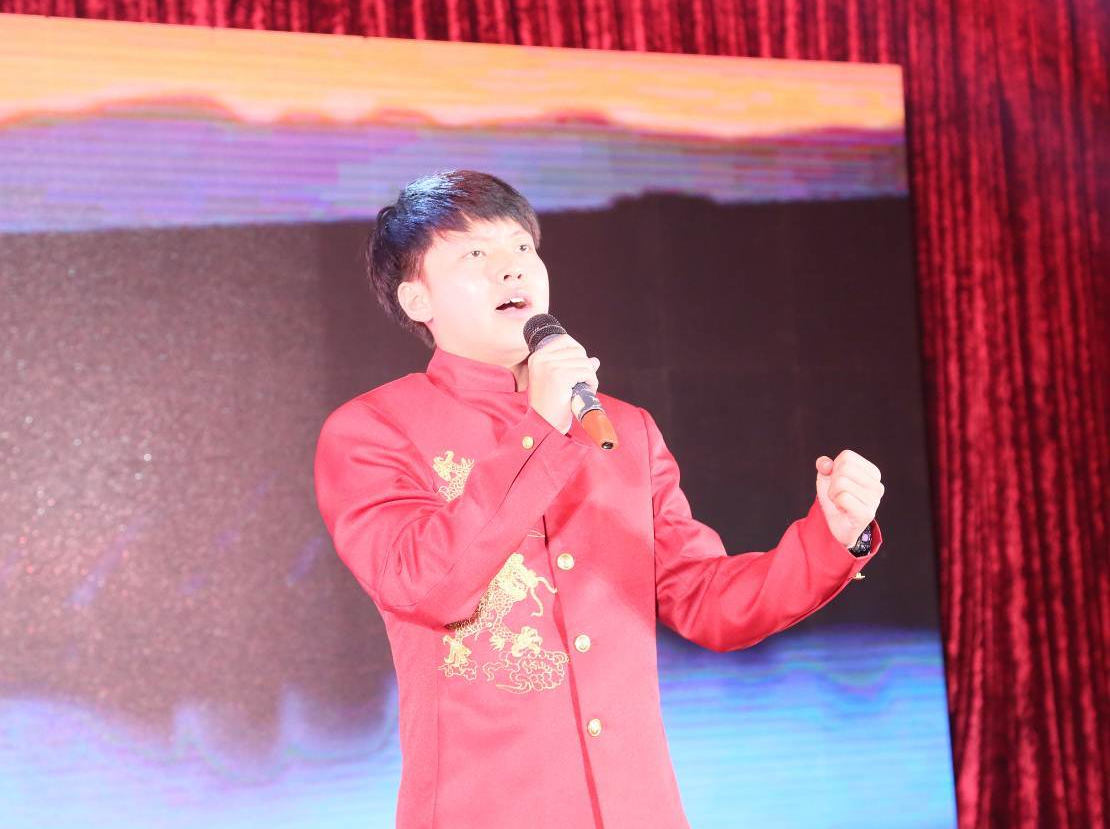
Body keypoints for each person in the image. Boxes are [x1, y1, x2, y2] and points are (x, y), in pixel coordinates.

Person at [313, 169, 886, 829]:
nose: (511, 268)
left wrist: (830, 537)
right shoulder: (373, 431)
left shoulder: (625, 429)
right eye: (475, 253)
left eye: (522, 247)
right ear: (417, 299)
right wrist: (542, 426)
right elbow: (428, 586)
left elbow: (708, 601)